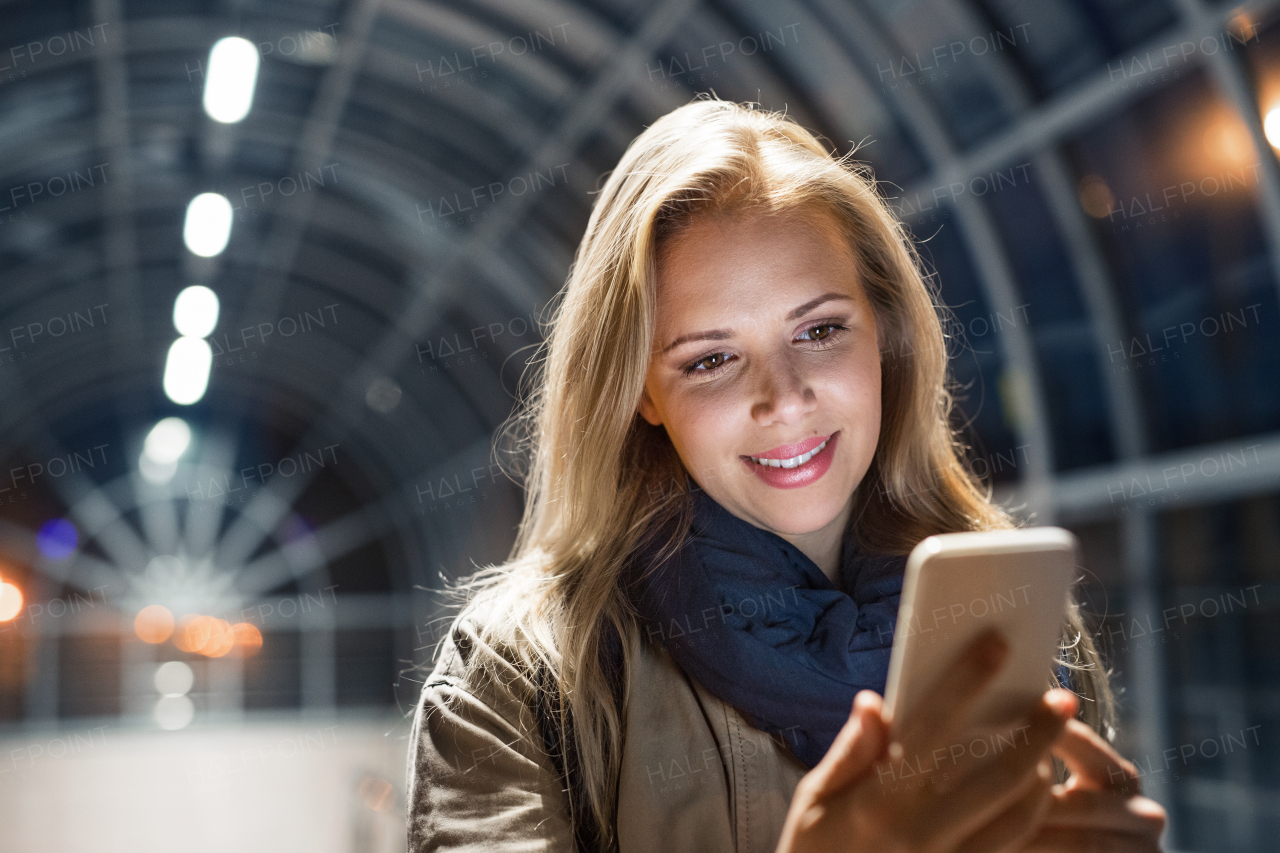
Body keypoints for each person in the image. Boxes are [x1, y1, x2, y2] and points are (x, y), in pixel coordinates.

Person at [407, 96, 1167, 852]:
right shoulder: (522, 674)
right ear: (641, 391)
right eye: (711, 359)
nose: (785, 398)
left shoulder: (1015, 624)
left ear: (886, 334)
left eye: (820, 329)